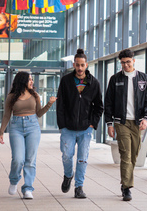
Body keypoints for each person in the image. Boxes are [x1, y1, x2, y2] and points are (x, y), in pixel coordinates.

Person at [104, 49, 147, 202]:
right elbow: (109, 103)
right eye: (122, 63)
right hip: (121, 122)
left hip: (137, 123)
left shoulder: (143, 78)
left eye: (128, 62)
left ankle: (125, 181)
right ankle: (127, 188)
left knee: (134, 154)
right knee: (126, 154)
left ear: (133, 61)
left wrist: (146, 118)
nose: (125, 65)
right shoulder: (115, 79)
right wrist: (109, 124)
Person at [0, 72, 56, 200]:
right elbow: (7, 115)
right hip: (16, 127)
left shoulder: (35, 95)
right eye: (29, 79)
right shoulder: (11, 97)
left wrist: (49, 103)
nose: (32, 82)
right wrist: (1, 131)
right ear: (22, 81)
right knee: (18, 159)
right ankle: (14, 180)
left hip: (33, 127)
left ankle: (28, 188)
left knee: (30, 160)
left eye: (32, 80)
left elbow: (39, 113)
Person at [57, 48, 103, 199]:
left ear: (87, 65)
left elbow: (99, 107)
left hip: (85, 129)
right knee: (66, 156)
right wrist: (62, 125)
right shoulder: (66, 81)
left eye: (82, 65)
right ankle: (68, 175)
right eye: (77, 65)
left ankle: (79, 187)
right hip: (68, 128)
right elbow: (61, 104)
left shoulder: (94, 83)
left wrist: (92, 124)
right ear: (74, 64)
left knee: (82, 158)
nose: (80, 68)